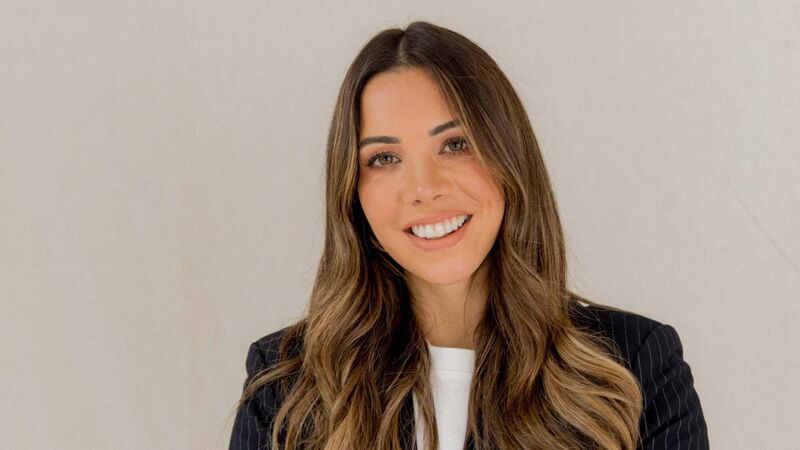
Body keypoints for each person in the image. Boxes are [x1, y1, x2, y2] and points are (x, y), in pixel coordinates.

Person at [228, 21, 709, 450]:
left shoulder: (635, 367)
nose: (424, 188)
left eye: (455, 145)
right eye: (384, 158)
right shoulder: (285, 387)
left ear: (509, 159)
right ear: (353, 194)